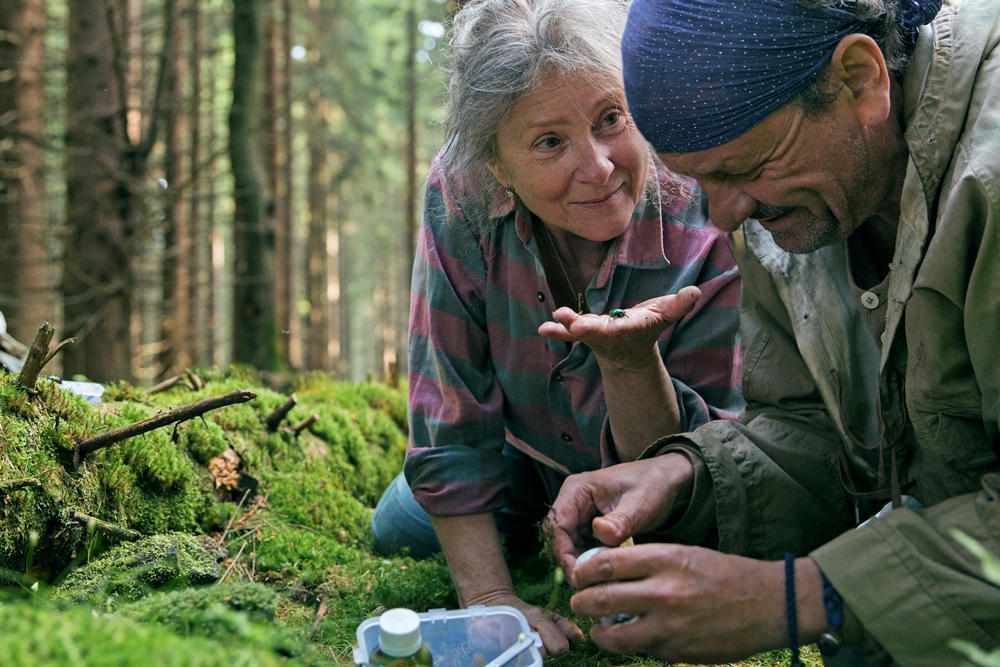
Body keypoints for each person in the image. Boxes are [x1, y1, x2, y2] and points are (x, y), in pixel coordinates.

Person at [547, 0, 1000, 665]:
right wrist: (686, 476)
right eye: (701, 181)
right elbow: (815, 431)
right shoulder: (805, 201)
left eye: (739, 168)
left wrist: (798, 597)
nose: (727, 214)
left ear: (859, 79)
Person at [369, 0, 744, 656]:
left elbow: (714, 459)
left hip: (663, 482)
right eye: (550, 141)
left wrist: (632, 365)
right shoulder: (461, 194)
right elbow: (449, 411)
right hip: (522, 457)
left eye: (611, 119)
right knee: (402, 526)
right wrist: (489, 600)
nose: (598, 166)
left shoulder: (706, 205)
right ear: (497, 168)